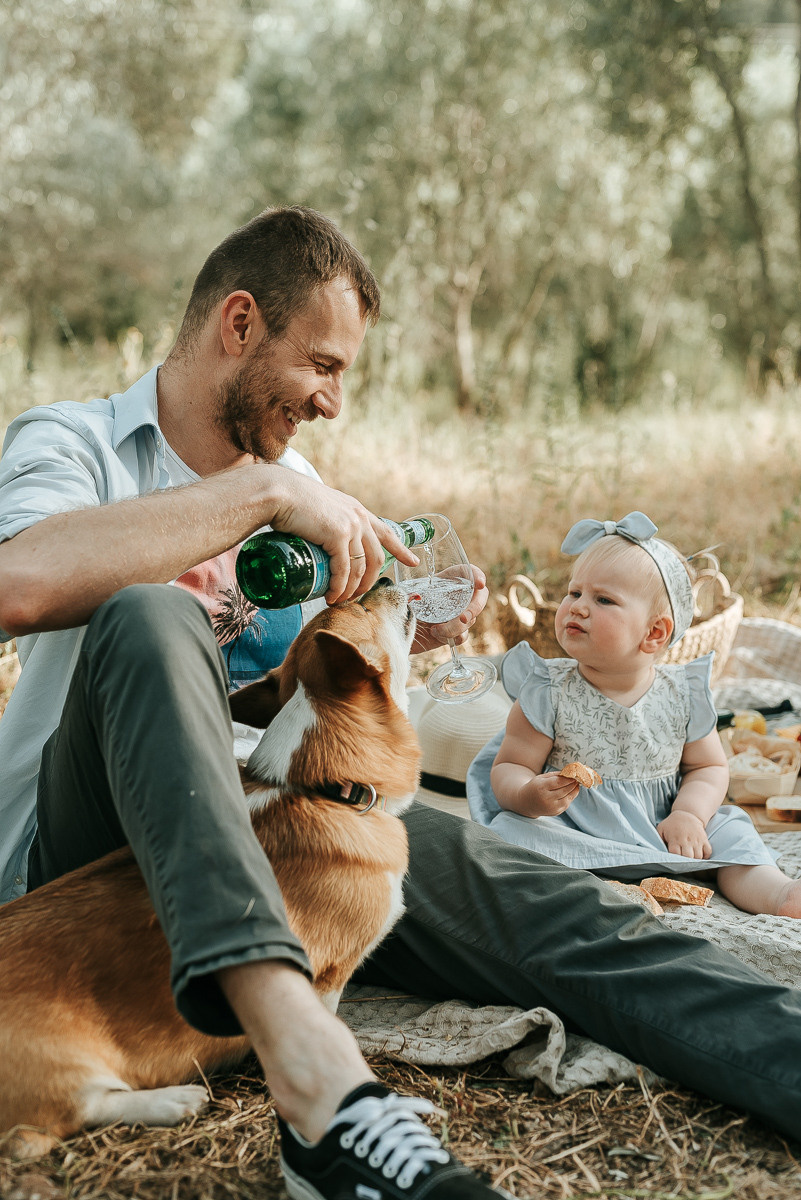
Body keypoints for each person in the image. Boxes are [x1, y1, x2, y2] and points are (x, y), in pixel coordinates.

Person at [2, 212, 801, 1193]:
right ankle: (315, 1078)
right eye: (323, 366)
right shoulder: (78, 441)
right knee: (148, 618)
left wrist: (383, 648)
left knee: (567, 916)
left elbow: (279, 707)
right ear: (240, 324)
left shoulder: (298, 484)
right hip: (82, 861)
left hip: (278, 828)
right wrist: (253, 497)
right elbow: (21, 586)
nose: (333, 403)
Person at [466, 511, 801, 918]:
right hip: (577, 829)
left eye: (602, 599)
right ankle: (576, 892)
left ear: (654, 633)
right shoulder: (548, 688)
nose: (578, 607)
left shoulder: (683, 692)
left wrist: (688, 814)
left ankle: (778, 894)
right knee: (511, 835)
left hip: (666, 826)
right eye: (574, 593)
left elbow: (709, 767)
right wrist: (528, 794)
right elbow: (510, 765)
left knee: (732, 831)